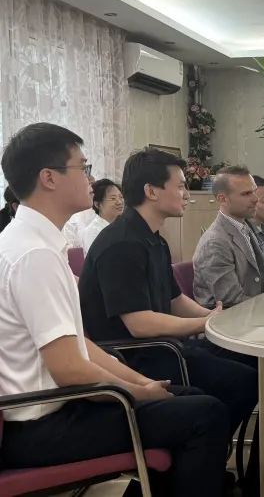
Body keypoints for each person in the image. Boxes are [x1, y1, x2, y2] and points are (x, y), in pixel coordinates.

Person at [0, 124, 229, 497]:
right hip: (40, 425)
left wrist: (140, 384)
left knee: (186, 397)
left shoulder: (31, 243)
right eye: (83, 167)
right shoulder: (34, 255)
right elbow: (69, 369)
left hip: (53, 411)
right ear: (49, 178)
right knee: (205, 414)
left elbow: (79, 345)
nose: (91, 179)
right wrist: (137, 393)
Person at [77, 147, 264, 496]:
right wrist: (206, 325)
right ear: (151, 191)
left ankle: (213, 465)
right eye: (180, 186)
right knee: (242, 383)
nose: (187, 193)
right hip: (137, 356)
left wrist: (214, 317)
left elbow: (175, 302)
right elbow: (140, 324)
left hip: (165, 346)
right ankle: (198, 462)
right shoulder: (121, 244)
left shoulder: (152, 238)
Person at [192, 165, 264, 308]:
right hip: (230, 318)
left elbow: (263, 284)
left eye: (254, 191)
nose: (255, 199)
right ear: (223, 199)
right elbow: (232, 301)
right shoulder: (215, 243)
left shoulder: (244, 227)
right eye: (246, 194)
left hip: (254, 310)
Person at [81, 178, 125, 254]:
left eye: (121, 197)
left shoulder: (124, 226)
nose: (119, 202)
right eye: (113, 198)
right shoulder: (92, 231)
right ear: (97, 204)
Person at [62, 173, 95, 247]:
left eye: (93, 185)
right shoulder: (71, 219)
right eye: (89, 184)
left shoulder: (96, 211)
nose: (92, 189)